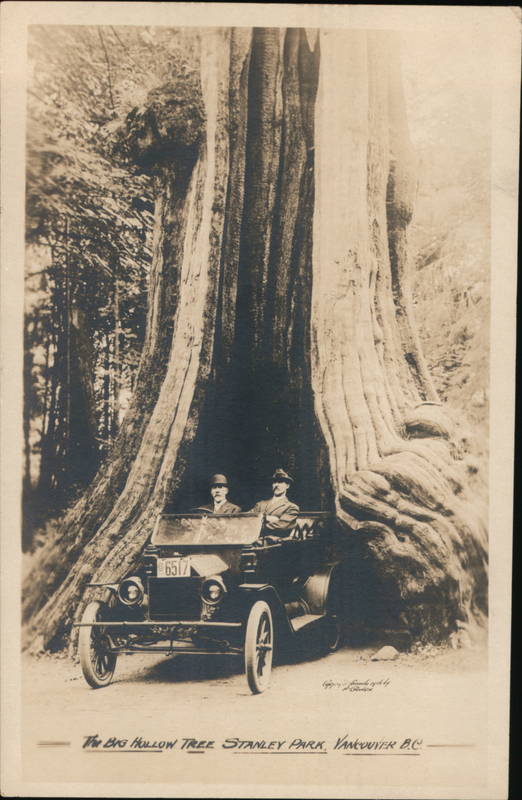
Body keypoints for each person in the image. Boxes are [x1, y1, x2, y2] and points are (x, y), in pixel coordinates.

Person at [250, 469, 299, 538]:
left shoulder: (291, 507)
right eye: (274, 482)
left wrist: (258, 523)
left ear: (287, 486)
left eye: (280, 482)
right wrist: (266, 518)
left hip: (274, 542)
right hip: (254, 539)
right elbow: (247, 518)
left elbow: (281, 526)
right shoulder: (260, 505)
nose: (276, 485)